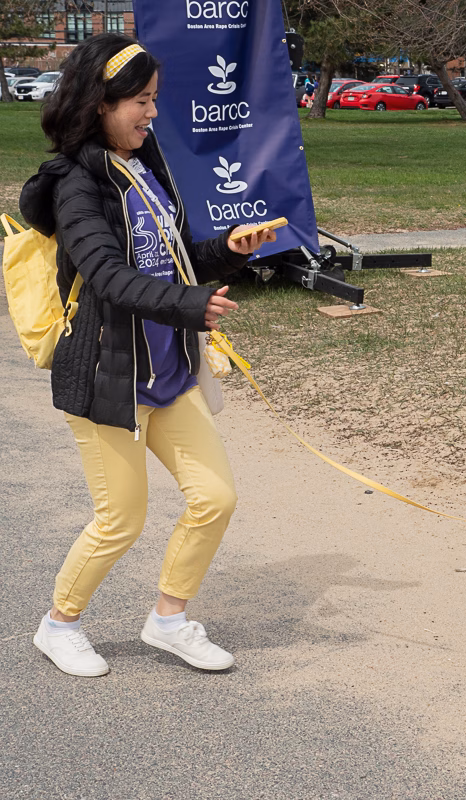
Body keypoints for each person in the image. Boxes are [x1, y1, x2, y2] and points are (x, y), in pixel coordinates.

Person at [18, 33, 277, 677]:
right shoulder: (75, 183)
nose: (151, 112)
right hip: (109, 375)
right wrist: (191, 307)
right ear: (98, 102)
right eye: (140, 100)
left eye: (154, 99)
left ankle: (167, 620)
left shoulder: (141, 162)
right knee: (119, 521)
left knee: (213, 497)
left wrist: (231, 252)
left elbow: (175, 257)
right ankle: (59, 625)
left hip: (169, 373)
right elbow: (106, 275)